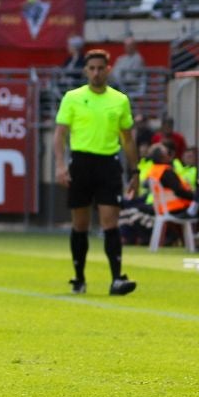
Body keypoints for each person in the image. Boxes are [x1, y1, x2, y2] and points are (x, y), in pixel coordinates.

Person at [53, 49, 138, 296]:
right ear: (85, 71)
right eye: (92, 68)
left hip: (109, 165)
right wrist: (60, 165)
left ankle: (116, 279)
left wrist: (135, 171)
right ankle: (79, 278)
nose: (96, 73)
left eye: (101, 68)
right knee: (80, 224)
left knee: (110, 222)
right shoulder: (72, 98)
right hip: (81, 163)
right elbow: (60, 134)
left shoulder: (119, 100)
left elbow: (128, 139)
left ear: (108, 70)